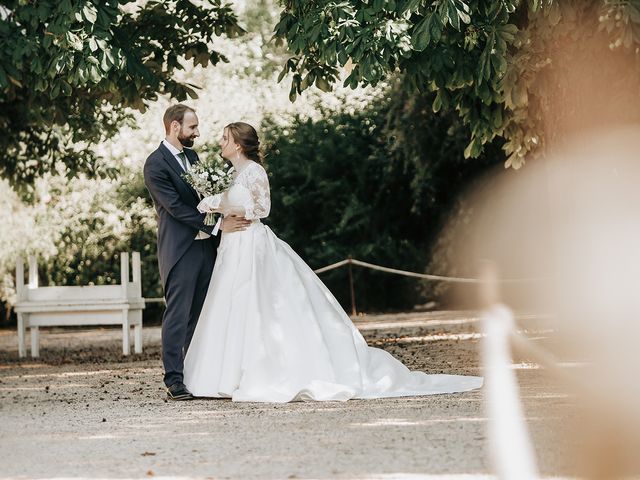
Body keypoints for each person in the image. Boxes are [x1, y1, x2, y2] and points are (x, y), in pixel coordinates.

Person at [183, 122, 483, 402]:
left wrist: (227, 206)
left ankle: (262, 371)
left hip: (252, 244)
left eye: (225, 138)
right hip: (232, 244)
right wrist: (218, 206)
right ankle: (223, 375)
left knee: (257, 300)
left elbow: (263, 208)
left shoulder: (253, 171)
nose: (220, 142)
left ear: (238, 144)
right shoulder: (231, 174)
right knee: (230, 302)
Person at [143, 105, 250, 400]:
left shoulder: (193, 157)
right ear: (175, 127)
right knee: (178, 315)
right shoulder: (155, 164)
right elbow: (175, 208)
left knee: (204, 315)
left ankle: (198, 376)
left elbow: (206, 198)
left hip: (207, 248)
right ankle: (174, 379)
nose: (197, 133)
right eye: (192, 127)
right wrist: (218, 224)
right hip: (180, 250)